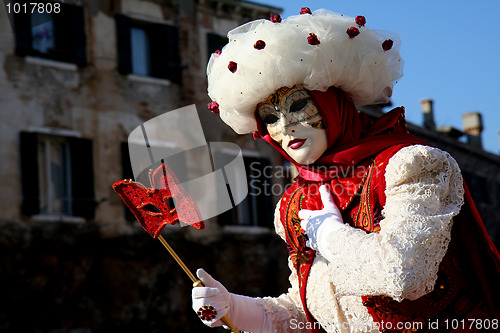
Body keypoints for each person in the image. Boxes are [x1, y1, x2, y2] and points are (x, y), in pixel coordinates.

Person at [192, 9, 500, 332]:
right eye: (270, 117)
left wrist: (331, 237)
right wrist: (235, 309)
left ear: (332, 103)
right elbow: (306, 312)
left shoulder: (410, 166)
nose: (285, 127)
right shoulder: (296, 204)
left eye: (298, 106)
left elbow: (405, 273)